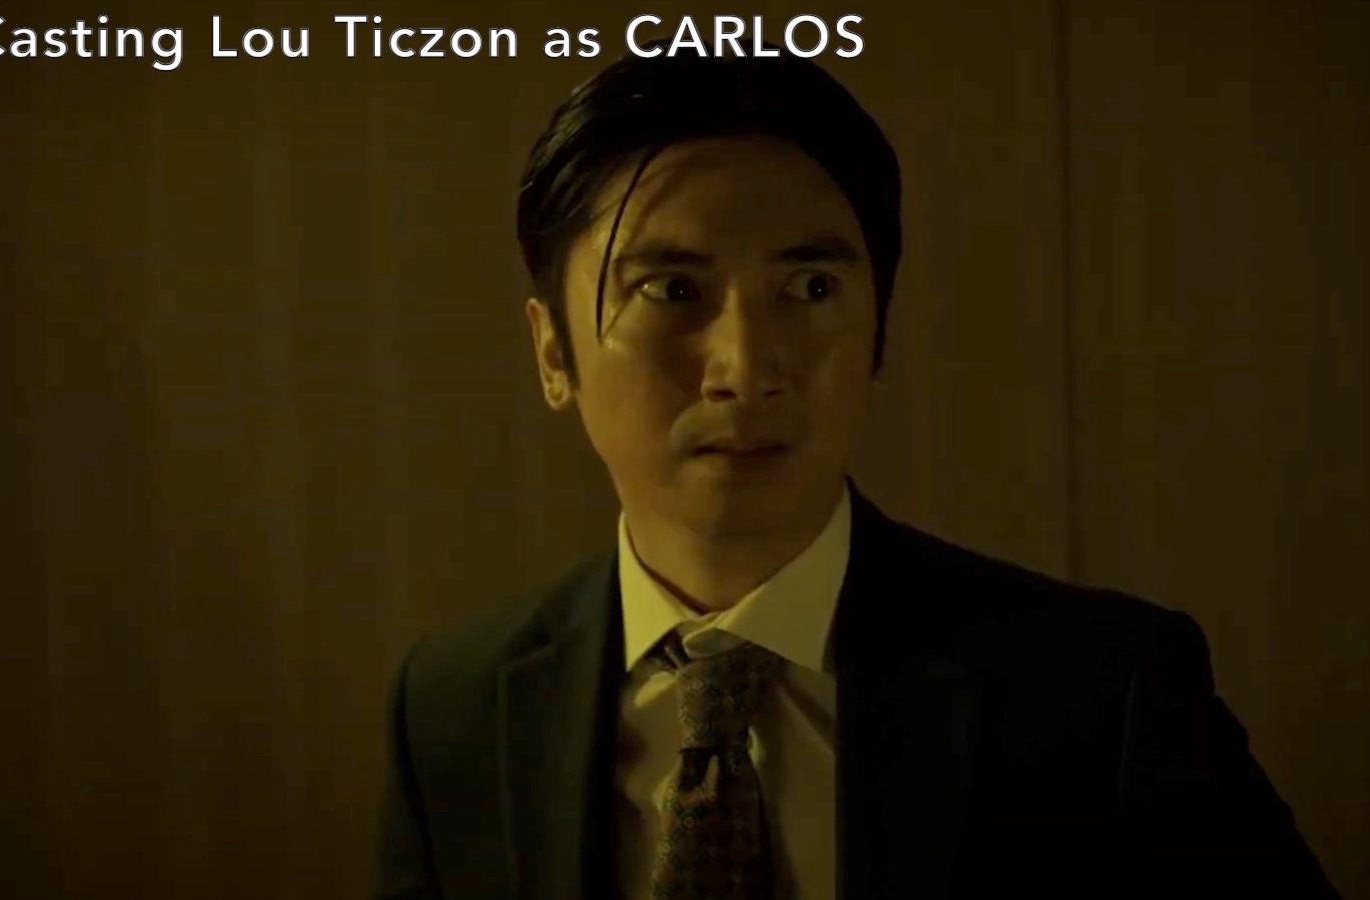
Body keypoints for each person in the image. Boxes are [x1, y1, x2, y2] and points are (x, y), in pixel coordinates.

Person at [372, 43, 1340, 900]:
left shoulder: (1103, 694)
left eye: (810, 288)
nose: (745, 369)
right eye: (670, 289)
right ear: (553, 353)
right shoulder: (457, 707)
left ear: (878, 328)